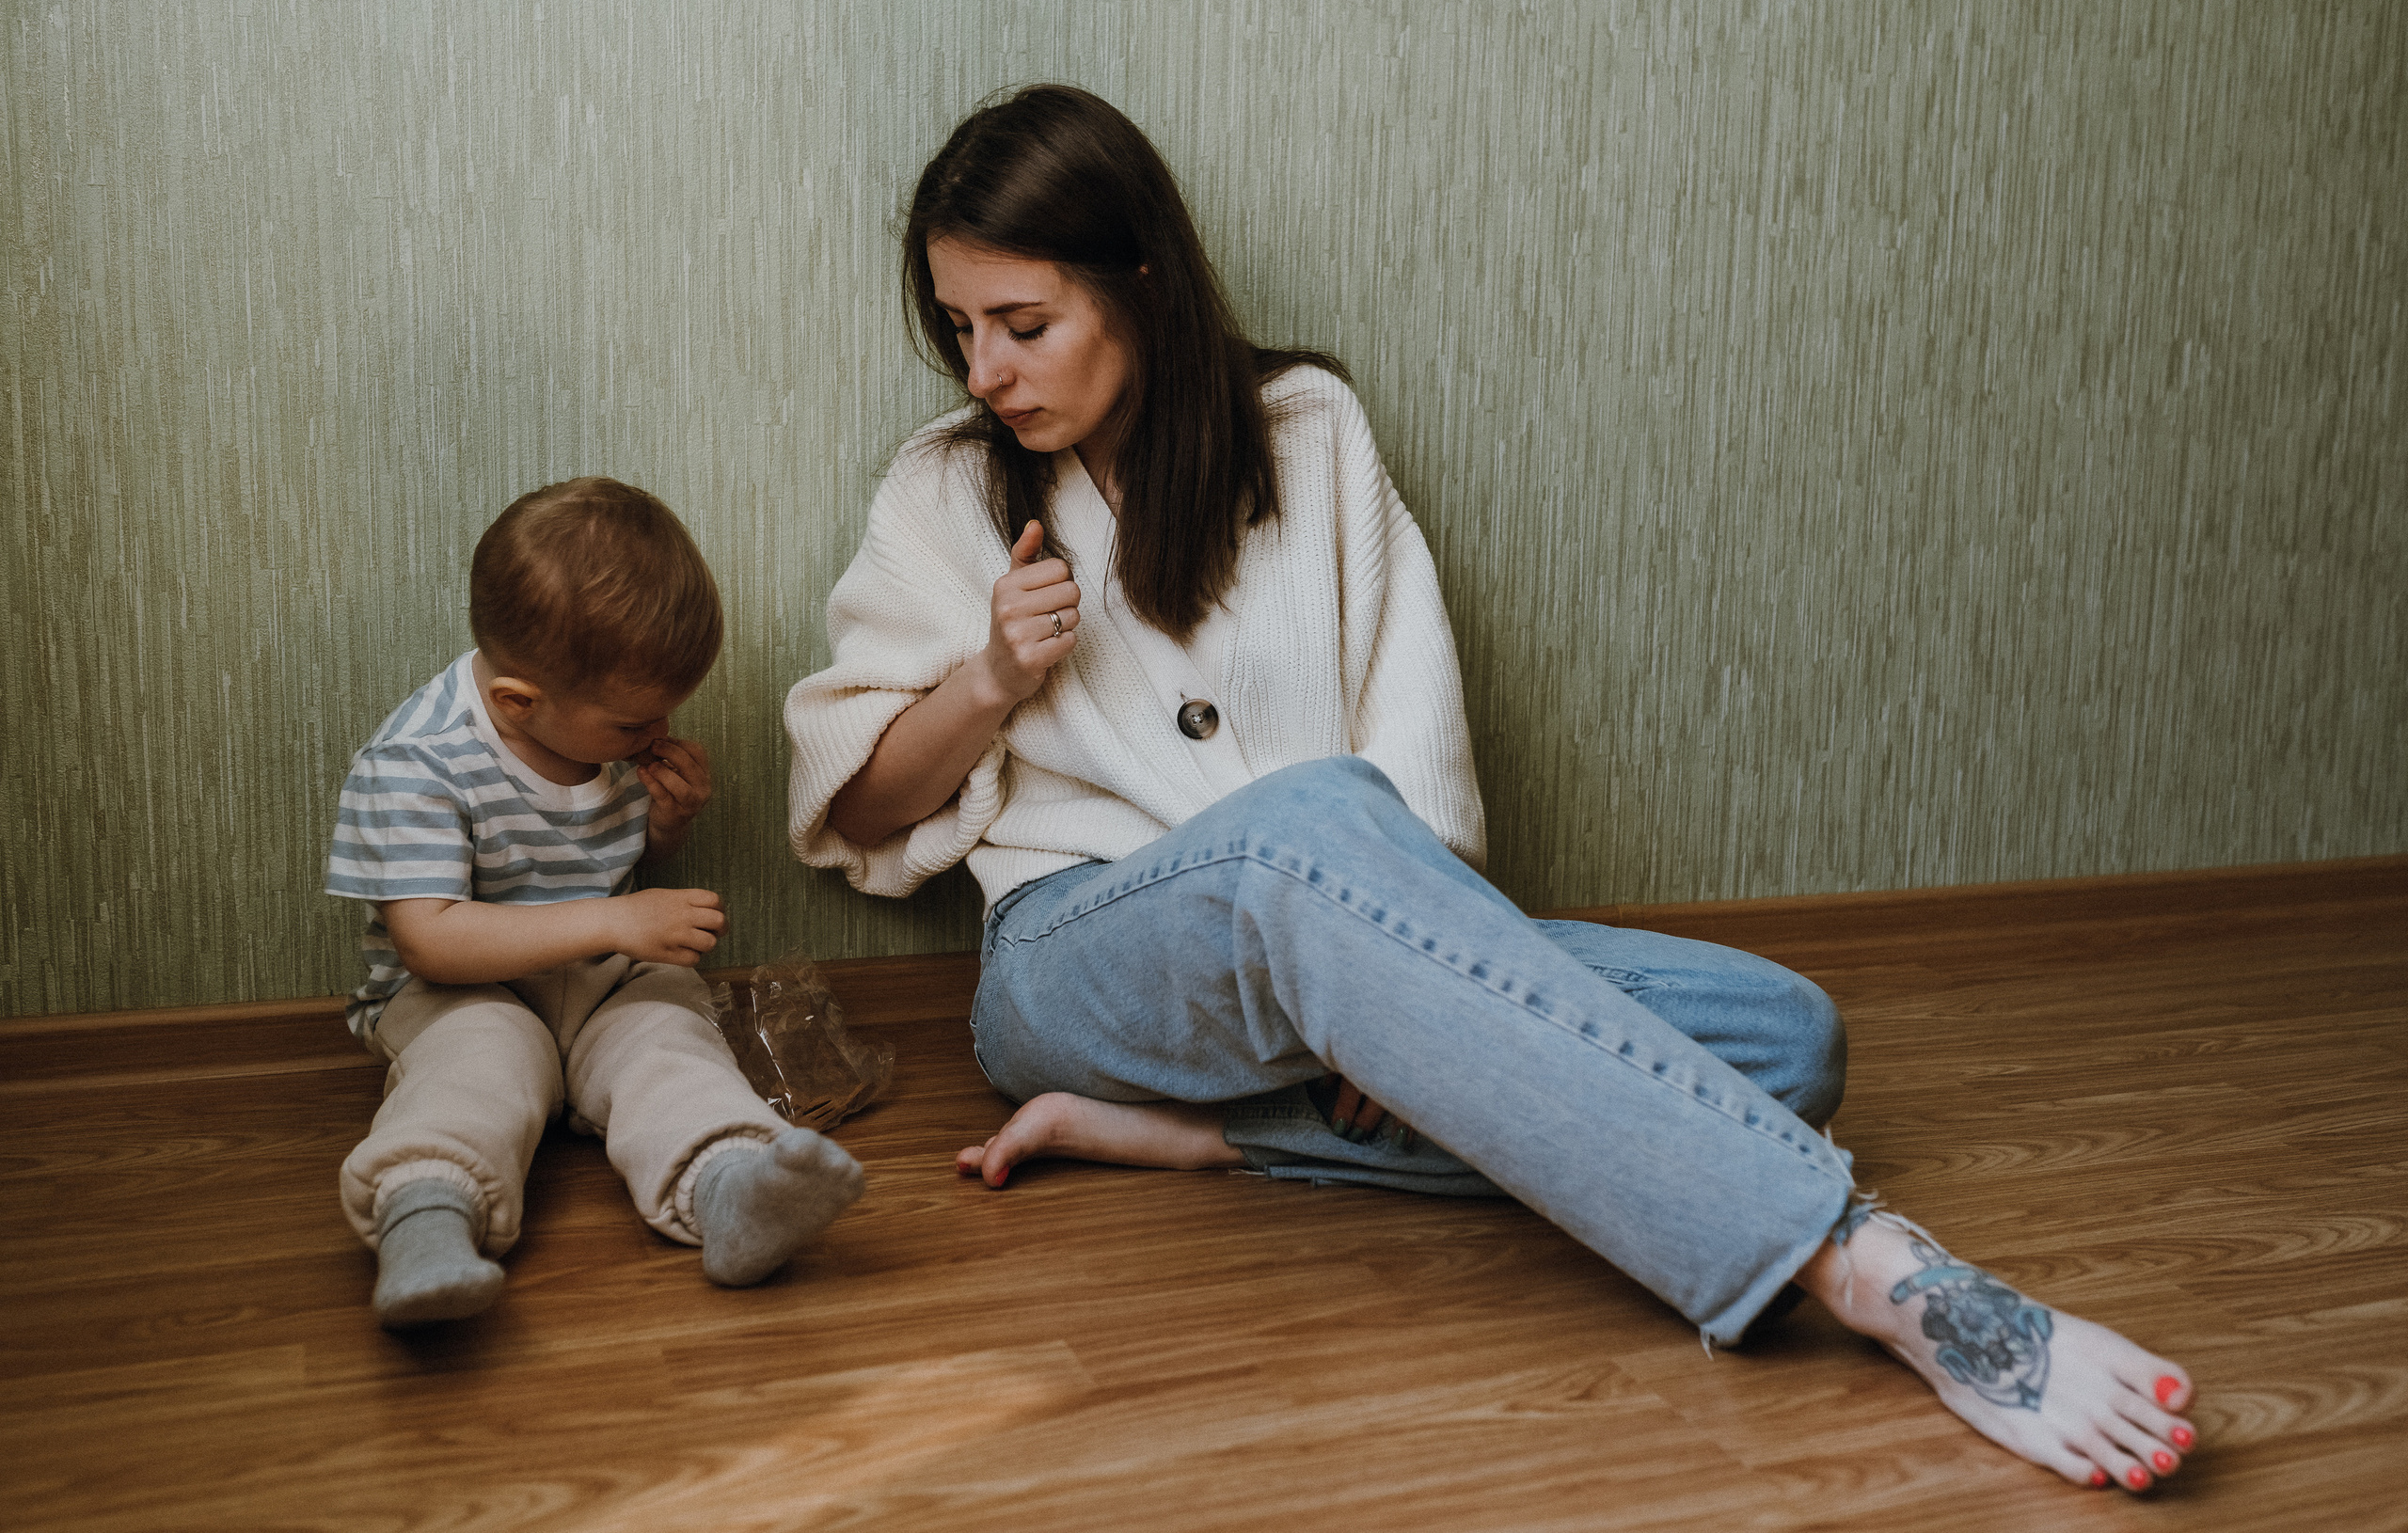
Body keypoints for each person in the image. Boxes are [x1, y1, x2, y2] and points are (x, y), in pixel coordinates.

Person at [784, 85, 2195, 1492]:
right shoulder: (942, 491)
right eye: (960, 327)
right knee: (1303, 827)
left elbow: (1415, 744)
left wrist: (1368, 1007)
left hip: (1340, 933)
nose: (986, 371)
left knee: (1784, 1039)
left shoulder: (1308, 428)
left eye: (1023, 326)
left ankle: (1217, 1137)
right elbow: (857, 808)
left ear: (1140, 283)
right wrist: (982, 680)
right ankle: (1867, 1264)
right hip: (1080, 964)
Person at [328, 477, 863, 1328]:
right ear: (517, 703)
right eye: (633, 724)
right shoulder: (418, 761)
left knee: (669, 1039)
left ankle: (726, 1186)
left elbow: (603, 859)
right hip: (465, 993)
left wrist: (666, 826)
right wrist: (618, 921)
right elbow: (428, 940)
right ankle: (426, 1215)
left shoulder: (593, 729)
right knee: (479, 1064)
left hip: (603, 980)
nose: (655, 735)